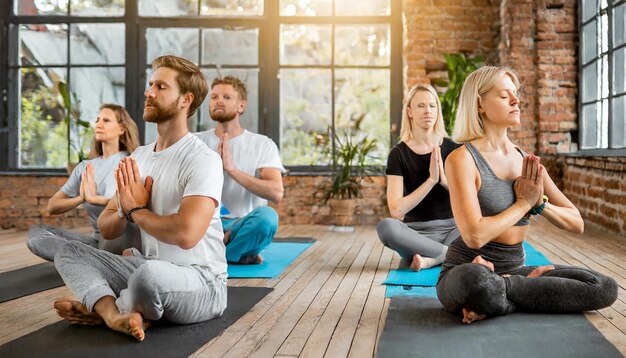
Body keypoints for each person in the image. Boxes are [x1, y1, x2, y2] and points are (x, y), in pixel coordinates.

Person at [53, 55, 226, 341]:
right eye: (150, 85)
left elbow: (186, 234)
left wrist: (135, 209)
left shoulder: (202, 159)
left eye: (161, 87)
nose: (148, 93)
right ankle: (113, 315)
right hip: (146, 265)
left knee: (148, 278)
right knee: (67, 252)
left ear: (186, 100)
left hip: (202, 281)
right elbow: (108, 228)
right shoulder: (139, 157)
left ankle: (102, 306)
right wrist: (122, 211)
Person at [436, 66, 618, 324]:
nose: (515, 100)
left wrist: (539, 205)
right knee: (475, 282)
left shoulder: (526, 161)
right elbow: (474, 236)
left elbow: (576, 222)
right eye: (503, 95)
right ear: (479, 104)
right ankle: (508, 293)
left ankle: (504, 293)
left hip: (516, 270)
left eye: (515, 93)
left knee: (602, 286)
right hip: (466, 268)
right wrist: (523, 203)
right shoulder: (462, 159)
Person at [27, 104, 141, 261]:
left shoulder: (130, 161)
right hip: (98, 242)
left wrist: (93, 199)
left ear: (122, 129)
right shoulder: (84, 167)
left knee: (114, 232)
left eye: (106, 120)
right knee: (37, 236)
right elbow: (52, 206)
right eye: (97, 120)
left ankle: (93, 259)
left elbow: (123, 203)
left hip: (123, 239)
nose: (99, 124)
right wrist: (81, 198)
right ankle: (97, 259)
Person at [196, 76, 284, 264]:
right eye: (214, 97)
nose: (218, 100)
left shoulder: (262, 144)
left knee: (267, 217)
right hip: (205, 225)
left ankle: (219, 253)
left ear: (241, 106)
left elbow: (276, 193)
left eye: (227, 97)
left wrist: (231, 169)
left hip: (242, 226)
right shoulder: (195, 142)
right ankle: (237, 255)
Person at [377, 84, 461, 271]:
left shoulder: (454, 149)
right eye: (421, 106)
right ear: (410, 112)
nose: (427, 111)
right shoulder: (398, 154)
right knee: (386, 227)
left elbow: (469, 198)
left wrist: (443, 181)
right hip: (416, 235)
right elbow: (397, 211)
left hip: (453, 230)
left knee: (484, 222)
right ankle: (452, 255)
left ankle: (432, 259)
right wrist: (431, 180)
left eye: (432, 106)